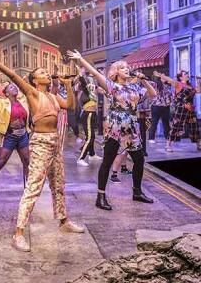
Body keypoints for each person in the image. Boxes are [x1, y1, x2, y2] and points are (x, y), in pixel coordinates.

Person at [0, 44, 84, 253]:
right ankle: (18, 234)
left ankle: (64, 221)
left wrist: (68, 85)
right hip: (41, 143)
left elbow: (70, 105)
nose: (46, 74)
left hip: (55, 142)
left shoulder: (52, 96)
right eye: (42, 72)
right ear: (35, 80)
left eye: (46, 72)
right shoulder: (33, 93)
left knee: (58, 185)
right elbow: (12, 74)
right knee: (33, 188)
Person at [67, 50, 156, 211]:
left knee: (139, 160)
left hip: (132, 129)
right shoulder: (111, 86)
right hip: (115, 129)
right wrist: (81, 59)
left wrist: (144, 81)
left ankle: (137, 192)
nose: (127, 69)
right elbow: (94, 72)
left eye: (127, 67)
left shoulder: (135, 87)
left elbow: (153, 94)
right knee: (107, 162)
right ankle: (100, 196)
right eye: (122, 68)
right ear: (116, 72)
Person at [154, 71, 201, 151]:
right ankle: (168, 145)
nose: (187, 75)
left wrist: (199, 81)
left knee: (195, 127)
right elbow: (169, 79)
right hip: (181, 109)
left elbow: (198, 90)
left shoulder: (190, 86)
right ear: (181, 77)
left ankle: (199, 144)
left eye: (187, 74)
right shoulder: (178, 84)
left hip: (190, 109)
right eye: (185, 74)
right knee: (176, 126)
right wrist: (160, 74)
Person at [76, 69, 102, 166]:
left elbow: (101, 87)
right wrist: (80, 74)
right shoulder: (86, 92)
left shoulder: (92, 93)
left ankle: (92, 154)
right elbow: (83, 82)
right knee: (90, 137)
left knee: (92, 136)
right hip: (88, 114)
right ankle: (81, 158)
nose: (94, 87)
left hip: (92, 115)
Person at [148, 74, 172, 143]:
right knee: (154, 122)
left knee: (166, 123)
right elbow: (148, 83)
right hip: (156, 106)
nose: (165, 78)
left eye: (166, 77)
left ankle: (168, 137)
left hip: (166, 106)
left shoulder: (168, 85)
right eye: (163, 77)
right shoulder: (155, 85)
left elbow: (169, 95)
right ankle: (151, 138)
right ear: (160, 78)